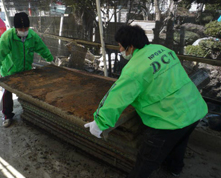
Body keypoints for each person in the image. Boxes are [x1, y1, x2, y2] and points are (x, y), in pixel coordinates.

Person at [84, 25, 207, 178]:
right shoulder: (163, 50)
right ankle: (175, 169)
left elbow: (117, 96)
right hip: (195, 107)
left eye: (121, 46)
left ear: (131, 46)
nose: (120, 50)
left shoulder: (135, 69)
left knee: (146, 159)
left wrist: (100, 123)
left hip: (169, 119)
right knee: (179, 143)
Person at [0, 12, 54, 128]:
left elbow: (42, 48)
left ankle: (29, 113)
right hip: (10, 72)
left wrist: (50, 59)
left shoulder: (32, 36)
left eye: (26, 28)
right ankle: (7, 116)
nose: (23, 30)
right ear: (15, 28)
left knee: (27, 93)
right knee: (7, 95)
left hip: (26, 71)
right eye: (20, 28)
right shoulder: (7, 37)